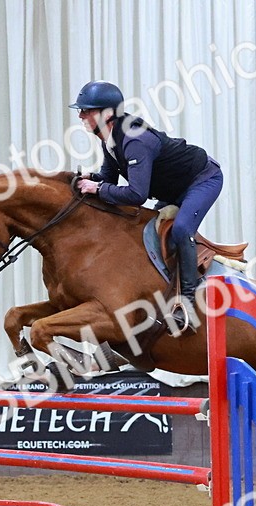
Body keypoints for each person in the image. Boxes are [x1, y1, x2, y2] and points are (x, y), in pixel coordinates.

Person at [70, 80, 224, 335]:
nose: (81, 115)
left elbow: (136, 194)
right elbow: (108, 178)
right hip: (174, 187)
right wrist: (89, 179)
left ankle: (187, 303)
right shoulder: (108, 138)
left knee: (181, 228)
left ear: (107, 114)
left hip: (203, 179)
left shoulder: (134, 139)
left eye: (86, 110)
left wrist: (97, 189)